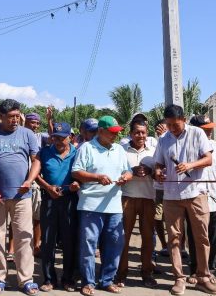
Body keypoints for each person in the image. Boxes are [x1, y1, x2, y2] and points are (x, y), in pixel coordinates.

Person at [0, 99, 41, 296]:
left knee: (24, 237)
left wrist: (29, 180)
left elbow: (36, 161)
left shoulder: (27, 134)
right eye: (11, 117)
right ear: (1, 116)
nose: (15, 120)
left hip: (22, 195)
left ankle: (26, 279)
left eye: (17, 116)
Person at [153, 105, 216, 295]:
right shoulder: (163, 139)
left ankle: (203, 277)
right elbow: (158, 164)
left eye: (175, 124)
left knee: (201, 237)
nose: (172, 128)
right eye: (169, 125)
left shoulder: (197, 133)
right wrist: (158, 172)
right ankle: (179, 278)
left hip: (196, 193)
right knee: (174, 238)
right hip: (171, 195)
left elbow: (208, 159)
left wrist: (190, 165)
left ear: (184, 119)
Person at [71, 115, 132, 296]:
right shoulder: (86, 148)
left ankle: (107, 280)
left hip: (114, 206)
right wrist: (97, 177)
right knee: (88, 245)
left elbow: (128, 170)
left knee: (115, 243)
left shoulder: (119, 149)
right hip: (91, 205)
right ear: (100, 131)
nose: (115, 136)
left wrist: (126, 177)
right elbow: (76, 172)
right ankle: (88, 282)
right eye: (111, 132)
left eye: (117, 132)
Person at [36, 121, 80, 292]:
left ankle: (68, 279)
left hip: (70, 200)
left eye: (62, 138)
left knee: (69, 241)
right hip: (49, 199)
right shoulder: (44, 152)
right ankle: (49, 279)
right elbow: (35, 174)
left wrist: (77, 183)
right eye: (55, 137)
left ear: (71, 137)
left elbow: (82, 173)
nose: (59, 141)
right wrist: (48, 187)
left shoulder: (77, 153)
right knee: (48, 241)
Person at [117, 120, 157, 288]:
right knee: (123, 238)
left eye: (143, 132)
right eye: (137, 132)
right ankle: (121, 274)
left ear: (147, 133)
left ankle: (147, 273)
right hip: (127, 197)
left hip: (148, 198)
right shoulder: (122, 150)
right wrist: (131, 171)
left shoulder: (154, 151)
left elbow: (160, 172)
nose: (140, 135)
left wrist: (150, 171)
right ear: (130, 134)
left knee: (147, 238)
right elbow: (116, 170)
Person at [185, 115, 216, 276]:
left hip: (214, 198)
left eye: (210, 129)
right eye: (205, 129)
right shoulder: (188, 146)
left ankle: (210, 269)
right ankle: (195, 270)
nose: (209, 132)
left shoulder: (214, 145)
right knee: (195, 235)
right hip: (195, 198)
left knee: (214, 235)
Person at [26, 111, 46, 257]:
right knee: (19, 219)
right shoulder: (17, 134)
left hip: (36, 182)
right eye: (33, 122)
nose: (35, 125)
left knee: (37, 217)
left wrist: (50, 121)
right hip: (21, 181)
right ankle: (15, 248)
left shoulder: (40, 137)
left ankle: (36, 245)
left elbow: (54, 136)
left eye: (38, 123)